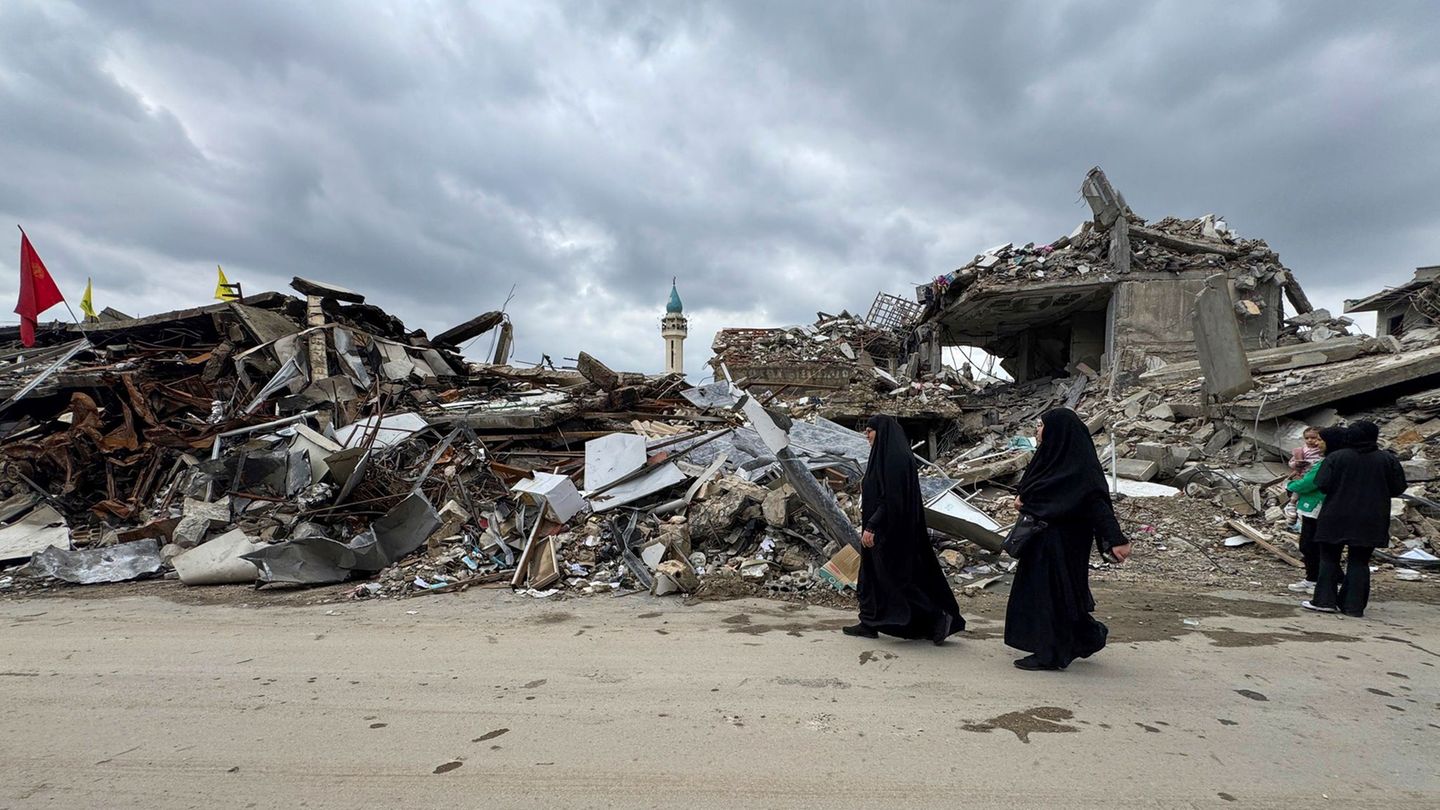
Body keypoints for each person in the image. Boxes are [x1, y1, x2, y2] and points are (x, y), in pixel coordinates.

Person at [1004, 408, 1131, 671]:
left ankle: (1050, 654)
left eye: (1041, 426)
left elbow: (1097, 504)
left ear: (1057, 431)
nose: (1037, 431)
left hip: (1066, 543)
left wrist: (1116, 539)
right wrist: (1024, 500)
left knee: (1053, 596)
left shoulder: (1080, 467)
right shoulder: (1049, 457)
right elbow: (1030, 489)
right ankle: (1085, 637)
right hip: (1040, 541)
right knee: (1050, 595)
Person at [844, 415, 965, 645]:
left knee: (896, 581)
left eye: (870, 431)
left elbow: (890, 499)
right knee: (871, 578)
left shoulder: (895, 459)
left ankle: (939, 617)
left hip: (889, 532)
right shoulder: (883, 455)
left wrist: (871, 526)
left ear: (882, 432)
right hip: (880, 529)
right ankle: (868, 622)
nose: (867, 436)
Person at [1306, 421, 1406, 617]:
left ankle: (1324, 600)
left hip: (1336, 514)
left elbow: (1322, 484)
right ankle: (1354, 607)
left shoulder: (1337, 457)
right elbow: (1398, 488)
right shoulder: (1387, 459)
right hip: (1371, 517)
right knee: (1359, 561)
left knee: (1329, 558)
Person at [1284, 426, 1349, 593]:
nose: (1317, 444)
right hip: (1314, 507)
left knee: (1314, 546)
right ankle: (1313, 578)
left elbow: (1310, 482)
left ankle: (1333, 580)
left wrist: (1291, 485)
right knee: (1309, 545)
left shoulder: (1330, 461)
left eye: (1320, 440)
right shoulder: (1328, 459)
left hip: (1319, 507)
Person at [1284, 428, 1324, 524]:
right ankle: (1291, 504)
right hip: (1304, 474)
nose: (1310, 440)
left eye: (1313, 438)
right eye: (1307, 438)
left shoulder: (1321, 450)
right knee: (1298, 490)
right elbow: (1291, 463)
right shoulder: (1301, 450)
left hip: (1315, 475)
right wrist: (1297, 464)